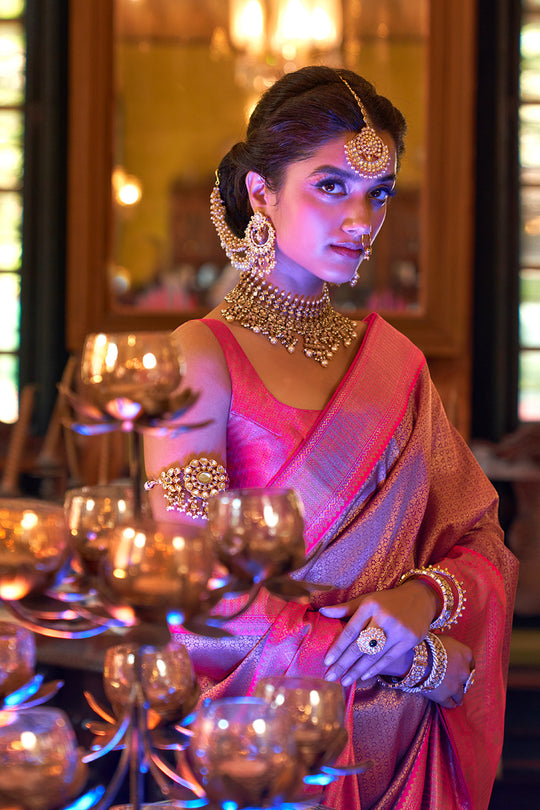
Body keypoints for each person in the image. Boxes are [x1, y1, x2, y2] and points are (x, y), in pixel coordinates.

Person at [143, 66, 518, 810]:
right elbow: (189, 584)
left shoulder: (398, 366)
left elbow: (479, 535)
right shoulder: (199, 356)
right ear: (261, 192)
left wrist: (420, 602)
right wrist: (409, 665)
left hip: (408, 755)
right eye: (330, 185)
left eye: (377, 193)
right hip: (271, 746)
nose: (362, 219)